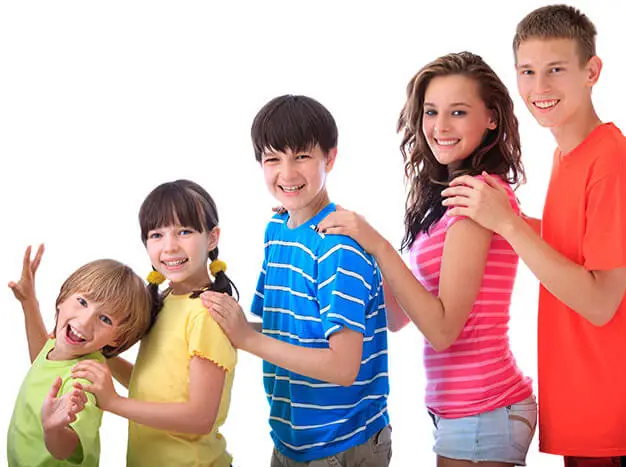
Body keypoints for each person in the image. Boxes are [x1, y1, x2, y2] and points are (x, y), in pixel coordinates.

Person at [441, 5, 626, 466]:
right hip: (590, 419)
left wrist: (510, 226)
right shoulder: (568, 158)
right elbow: (576, 245)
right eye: (528, 72)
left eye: (555, 70)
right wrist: (505, 218)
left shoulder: (611, 163)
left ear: (591, 71)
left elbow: (600, 302)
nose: (540, 88)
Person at [316, 52, 536, 466]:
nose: (440, 127)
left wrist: (378, 242)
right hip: (463, 412)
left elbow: (442, 331)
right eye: (431, 112)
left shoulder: (478, 198)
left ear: (491, 118)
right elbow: (399, 316)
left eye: (458, 112)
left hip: (484, 409)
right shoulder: (447, 200)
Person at [201, 95, 391, 466]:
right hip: (290, 441)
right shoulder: (277, 229)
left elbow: (342, 367)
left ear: (329, 159)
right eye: (273, 159)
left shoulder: (339, 248)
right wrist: (223, 324)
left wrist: (246, 338)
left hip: (341, 445)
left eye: (301, 156)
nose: (287, 174)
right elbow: (280, 330)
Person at [71, 179, 239, 467]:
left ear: (212, 238)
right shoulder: (167, 299)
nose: (170, 247)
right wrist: (102, 355)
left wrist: (114, 403)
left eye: (184, 231)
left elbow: (200, 417)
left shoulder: (207, 313)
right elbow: (153, 385)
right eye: (157, 235)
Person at [7, 245, 154, 466]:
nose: (85, 322)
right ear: (62, 299)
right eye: (83, 302)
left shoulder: (85, 380)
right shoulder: (59, 347)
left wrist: (54, 429)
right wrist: (29, 303)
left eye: (105, 319)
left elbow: (68, 448)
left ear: (117, 339)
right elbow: (41, 360)